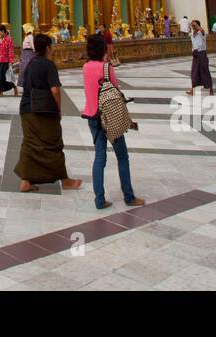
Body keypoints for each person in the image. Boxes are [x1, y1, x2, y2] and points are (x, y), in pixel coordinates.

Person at [81, 33, 142, 210]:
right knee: (122, 156)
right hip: (110, 117)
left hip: (92, 116)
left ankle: (99, 200)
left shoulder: (85, 67)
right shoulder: (106, 68)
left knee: (99, 157)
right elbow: (115, 89)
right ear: (103, 49)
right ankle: (129, 196)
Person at [14, 33, 80, 192]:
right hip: (43, 109)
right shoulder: (48, 65)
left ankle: (25, 181)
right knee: (54, 142)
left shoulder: (30, 64)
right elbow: (55, 90)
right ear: (48, 48)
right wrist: (58, 109)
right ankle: (65, 180)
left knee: (30, 143)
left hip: (26, 108)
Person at [187, 19, 212, 95]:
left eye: (194, 25)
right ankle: (192, 90)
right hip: (195, 55)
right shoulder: (192, 34)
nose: (193, 27)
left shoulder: (201, 33)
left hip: (202, 54)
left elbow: (202, 30)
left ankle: (211, 90)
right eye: (192, 26)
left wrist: (197, 25)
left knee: (205, 72)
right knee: (194, 72)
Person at [0, 23, 17, 97]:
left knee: (3, 78)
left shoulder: (9, 39)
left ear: (3, 31)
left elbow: (11, 51)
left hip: (5, 61)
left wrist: (11, 61)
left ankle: (13, 86)